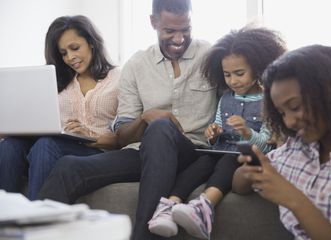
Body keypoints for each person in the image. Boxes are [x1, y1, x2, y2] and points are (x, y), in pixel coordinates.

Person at [38, 0, 217, 239]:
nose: (178, 39)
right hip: (143, 152)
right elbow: (122, 134)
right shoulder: (136, 65)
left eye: (185, 29)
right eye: (169, 31)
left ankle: (142, 235)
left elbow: (240, 97)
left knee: (161, 128)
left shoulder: (210, 56)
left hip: (193, 152)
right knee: (68, 167)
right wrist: (144, 118)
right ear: (154, 23)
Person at [147, 26, 287, 239]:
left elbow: (267, 146)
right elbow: (215, 134)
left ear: (259, 69)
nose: (233, 81)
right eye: (227, 75)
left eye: (239, 74)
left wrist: (247, 133)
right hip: (221, 150)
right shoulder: (226, 98)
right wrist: (213, 133)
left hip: (244, 156)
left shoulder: (269, 101)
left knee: (227, 162)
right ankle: (169, 206)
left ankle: (203, 207)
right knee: (201, 163)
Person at [232, 44, 331, 239]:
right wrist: (252, 169)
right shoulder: (296, 149)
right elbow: (239, 186)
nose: (289, 122)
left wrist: (293, 199)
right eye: (282, 113)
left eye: (295, 106)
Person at [0, 15, 120, 200]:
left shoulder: (118, 79)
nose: (70, 57)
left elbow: (127, 135)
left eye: (75, 48)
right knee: (10, 146)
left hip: (97, 152)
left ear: (91, 43)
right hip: (52, 146)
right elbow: (37, 120)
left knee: (47, 145)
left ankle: (37, 221)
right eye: (63, 53)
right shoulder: (56, 82)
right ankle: (6, 219)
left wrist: (90, 135)